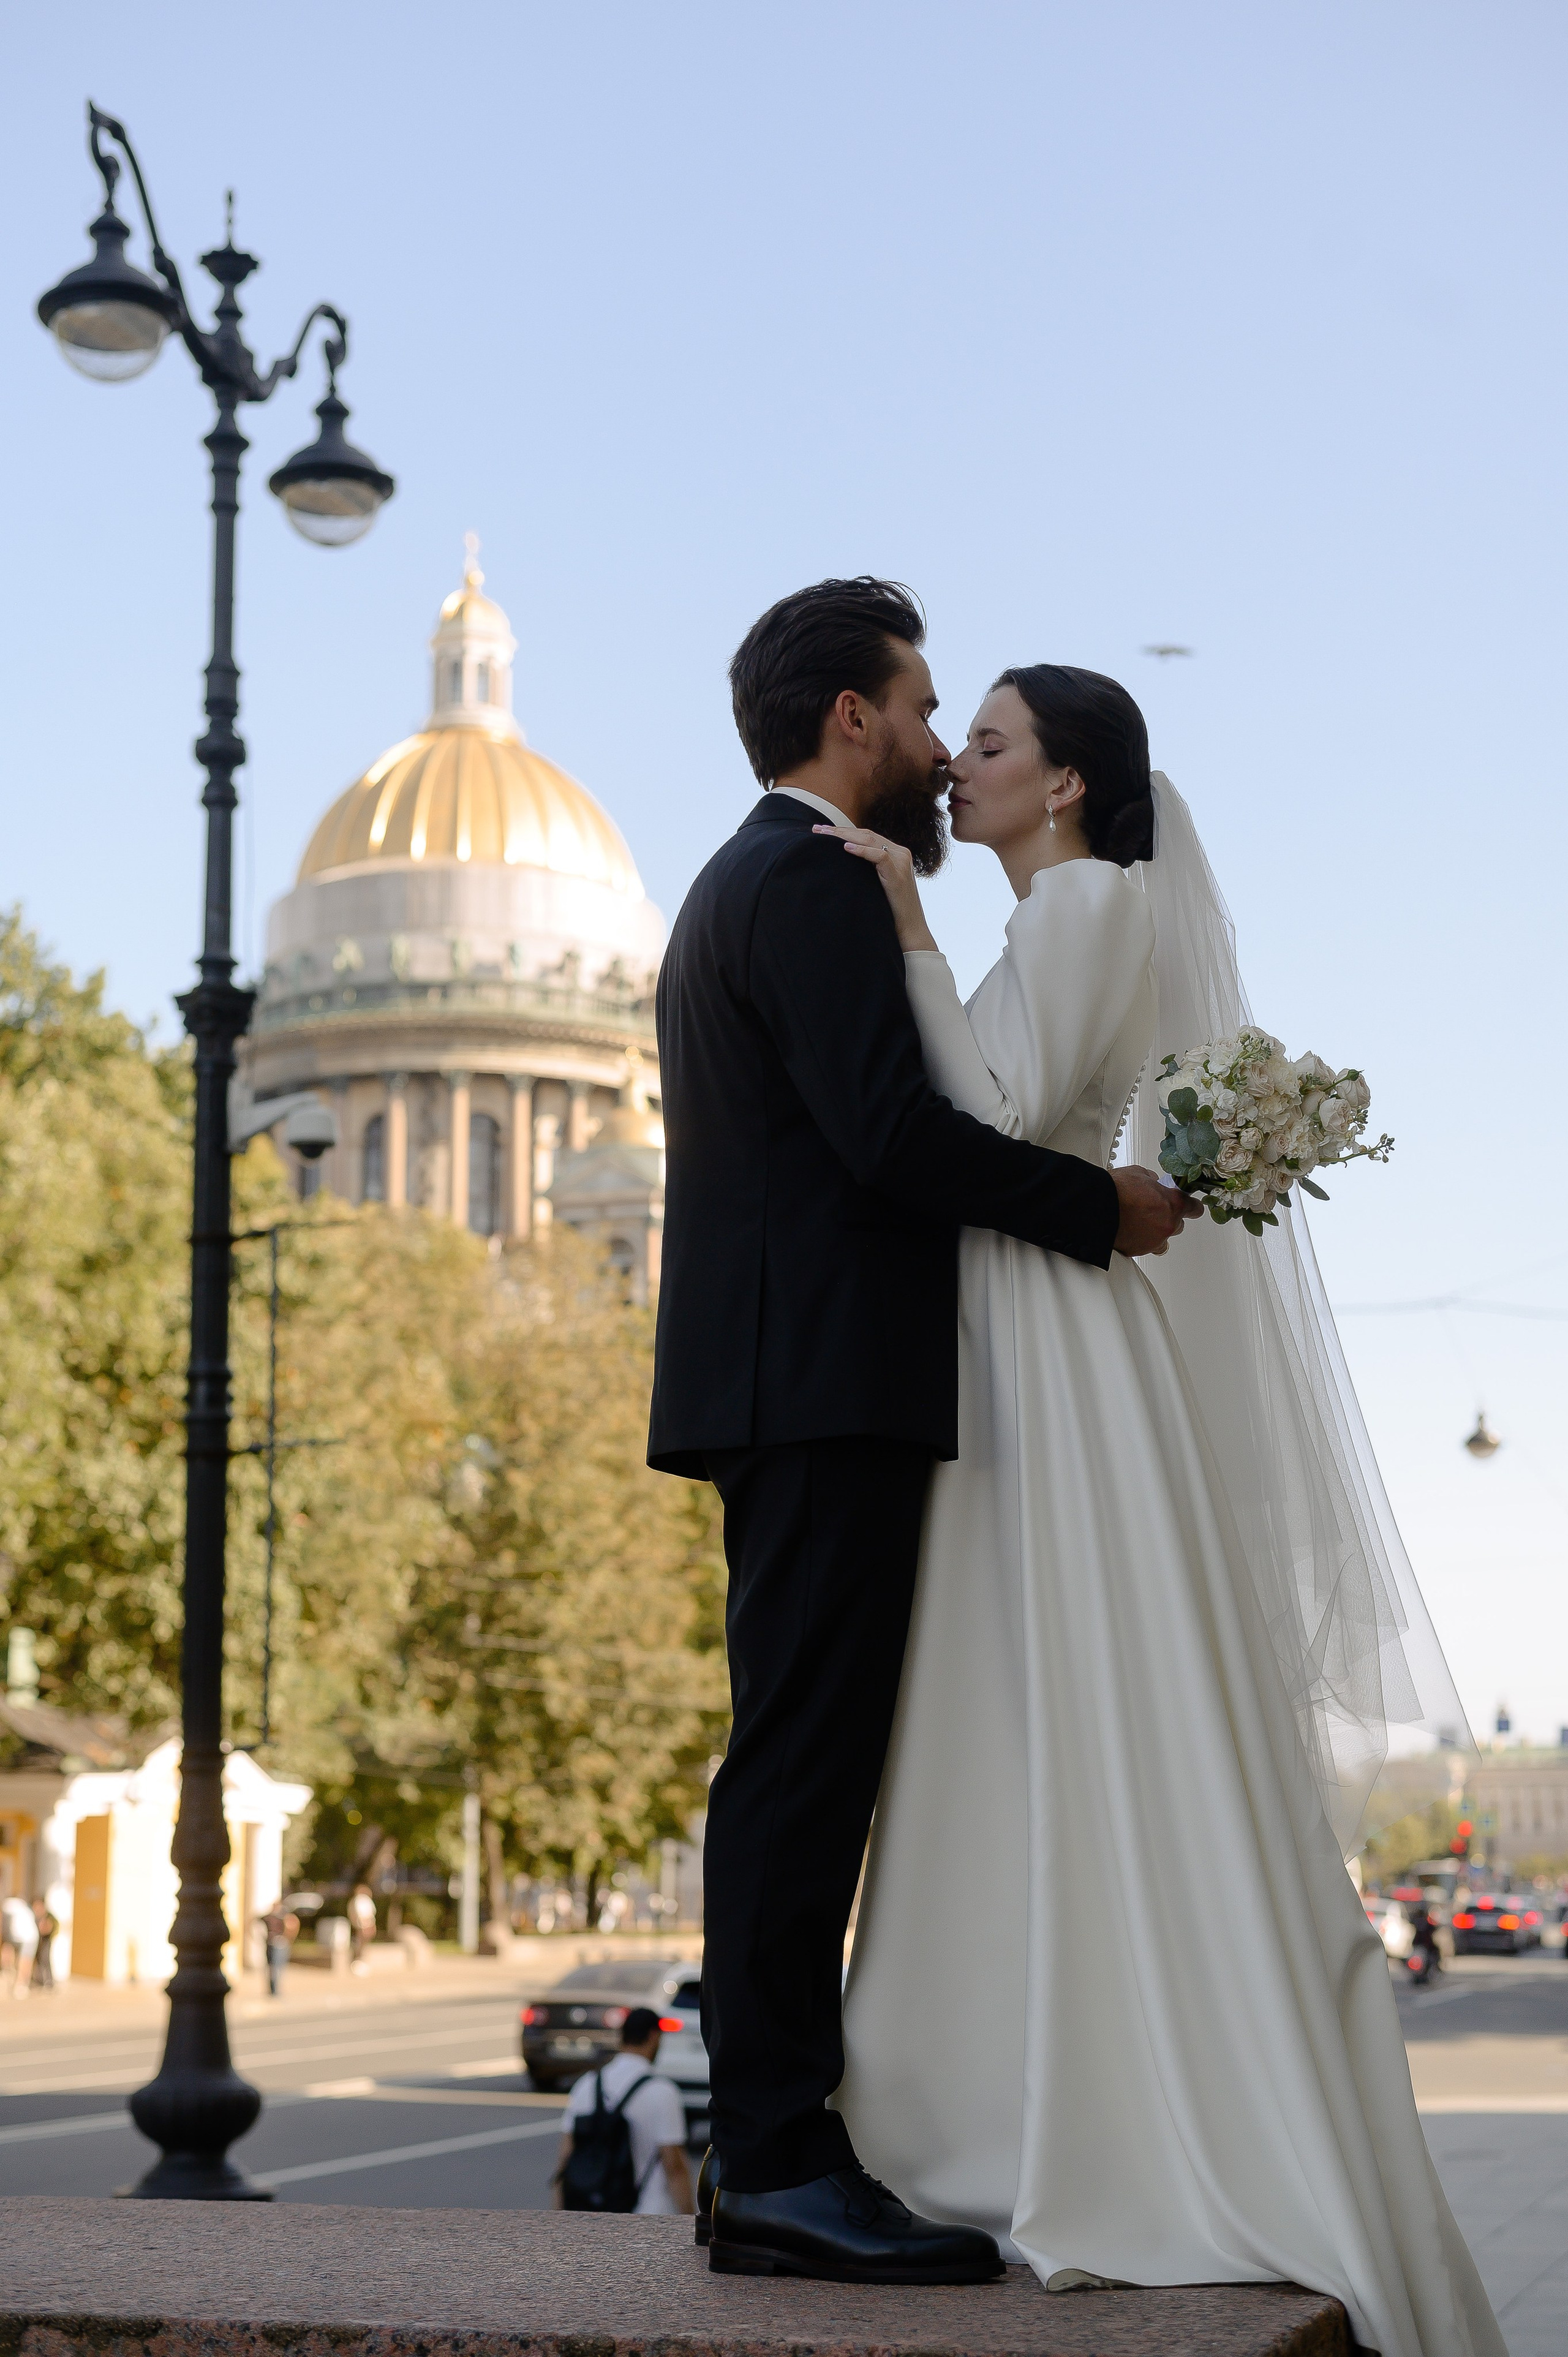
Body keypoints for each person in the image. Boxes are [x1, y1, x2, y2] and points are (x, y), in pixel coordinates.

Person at [824, 665, 1504, 2357]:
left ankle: (1049, 2113)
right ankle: (1039, 2088)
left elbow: (981, 1118)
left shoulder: (1077, 912)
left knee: (1047, 1694)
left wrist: (903, 913)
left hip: (1042, 1337)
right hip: (1041, 1321)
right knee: (1050, 1704)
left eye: (987, 744)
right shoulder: (1073, 912)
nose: (953, 766)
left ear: (1063, 785)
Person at [649, 579, 1195, 2283]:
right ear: (850, 722)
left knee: (802, 1759)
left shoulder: (757, 878)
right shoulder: (807, 879)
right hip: (823, 1383)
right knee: (804, 1769)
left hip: (787, 1379)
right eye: (922, 704)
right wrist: (1100, 1212)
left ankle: (780, 2148)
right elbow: (893, 1138)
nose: (939, 740)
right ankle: (780, 2160)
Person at [553, 2006, 695, 2215]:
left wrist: (559, 2217)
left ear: (622, 2037)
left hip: (590, 2216)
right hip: (646, 2216)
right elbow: (674, 2166)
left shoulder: (587, 2085)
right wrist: (689, 2221)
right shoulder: (663, 2092)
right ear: (654, 2037)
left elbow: (566, 2158)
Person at [257, 1899, 299, 1997]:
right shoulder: (268, 1917)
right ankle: (273, 1989)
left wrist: (289, 1937)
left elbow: (294, 1924)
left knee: (278, 1967)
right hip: (272, 1943)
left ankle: (275, 1989)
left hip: (280, 1943)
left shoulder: (284, 1917)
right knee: (273, 1967)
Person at [1, 1892, 38, 1998]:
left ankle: (20, 1983)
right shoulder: (22, 1905)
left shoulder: (8, 1905)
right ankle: (20, 1982)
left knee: (25, 1960)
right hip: (23, 1936)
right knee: (24, 1959)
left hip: (28, 1937)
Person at [346, 1882, 376, 1972]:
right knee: (360, 1945)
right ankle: (358, 1962)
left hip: (365, 1925)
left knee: (362, 1945)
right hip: (363, 1926)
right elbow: (362, 1915)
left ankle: (360, 1961)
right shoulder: (360, 1900)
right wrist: (366, 1926)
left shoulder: (361, 1900)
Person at [30, 1898, 56, 1993]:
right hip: (39, 1942)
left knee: (46, 1960)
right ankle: (40, 1980)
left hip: (45, 1942)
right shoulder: (38, 1916)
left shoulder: (47, 1917)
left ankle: (49, 1981)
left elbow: (48, 1929)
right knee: (40, 1961)